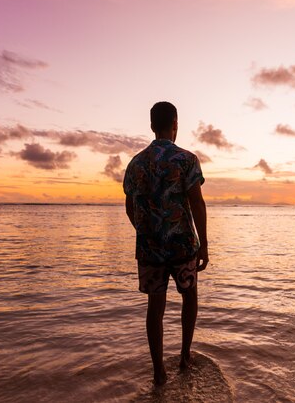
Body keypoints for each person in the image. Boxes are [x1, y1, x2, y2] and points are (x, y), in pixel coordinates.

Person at [123, 101, 209, 386]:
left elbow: (130, 206)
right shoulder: (186, 159)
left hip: (150, 249)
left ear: (151, 125)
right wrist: (204, 244)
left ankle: (159, 371)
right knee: (190, 297)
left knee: (155, 308)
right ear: (175, 124)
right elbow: (196, 202)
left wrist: (146, 230)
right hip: (183, 245)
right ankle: (185, 357)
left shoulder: (136, 163)